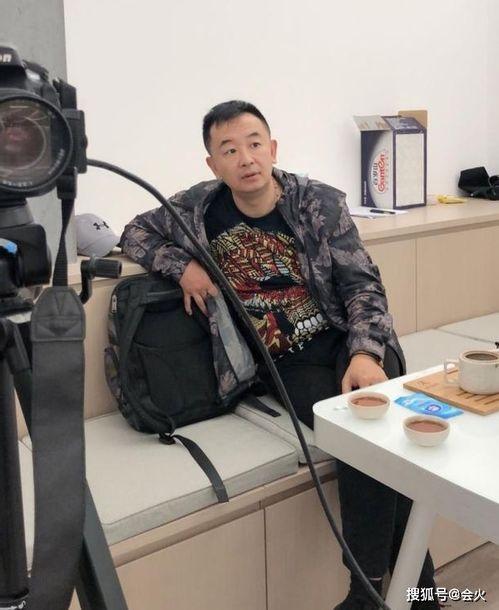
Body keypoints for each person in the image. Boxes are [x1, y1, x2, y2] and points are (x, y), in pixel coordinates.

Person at [120, 100, 438, 609]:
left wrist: (365, 353)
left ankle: (366, 594)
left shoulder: (319, 203)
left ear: (272, 148)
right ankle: (419, 595)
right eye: (229, 150)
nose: (245, 158)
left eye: (254, 144)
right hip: (287, 360)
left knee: (371, 431)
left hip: (356, 341)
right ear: (213, 164)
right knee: (368, 441)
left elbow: (363, 286)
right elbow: (134, 232)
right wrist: (182, 266)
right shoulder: (198, 208)